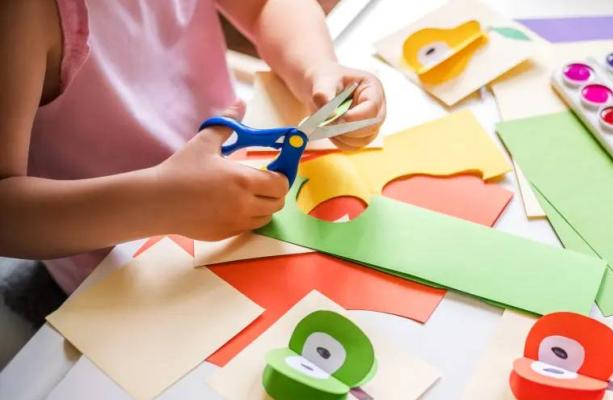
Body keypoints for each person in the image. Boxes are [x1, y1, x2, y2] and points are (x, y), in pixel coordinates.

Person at [0, 0, 386, 293]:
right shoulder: (19, 15)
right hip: (121, 270)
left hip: (238, 182)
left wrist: (317, 68)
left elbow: (264, 5)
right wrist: (159, 201)